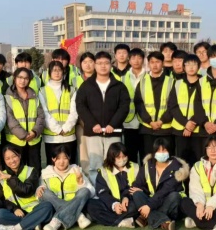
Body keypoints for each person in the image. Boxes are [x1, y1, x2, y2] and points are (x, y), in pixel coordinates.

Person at [76, 51, 130, 183]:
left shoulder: (119, 86)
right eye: (99, 63)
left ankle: (114, 189)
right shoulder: (86, 86)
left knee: (115, 163)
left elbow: (124, 107)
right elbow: (81, 106)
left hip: (113, 132)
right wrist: (92, 124)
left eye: (106, 63)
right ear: (95, 65)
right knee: (94, 165)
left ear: (111, 65)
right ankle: (96, 190)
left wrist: (113, 124)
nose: (103, 66)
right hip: (93, 132)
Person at [131, 138, 189, 230]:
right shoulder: (148, 165)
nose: (161, 153)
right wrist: (141, 190)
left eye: (164, 150)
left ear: (169, 151)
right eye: (158, 150)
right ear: (154, 152)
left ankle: (145, 217)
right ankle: (164, 222)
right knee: (137, 193)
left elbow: (165, 191)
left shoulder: (177, 167)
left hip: (169, 203)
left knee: (174, 196)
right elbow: (137, 184)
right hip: (154, 200)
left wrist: (149, 206)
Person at [180, 136, 216, 230]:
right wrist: (200, 204)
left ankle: (196, 222)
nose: (212, 150)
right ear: (205, 149)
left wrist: (211, 205)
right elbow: (195, 188)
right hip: (201, 206)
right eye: (209, 147)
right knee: (184, 202)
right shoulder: (197, 166)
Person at [0, 145, 55, 230]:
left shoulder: (31, 171)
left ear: (20, 156)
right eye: (7, 158)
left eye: (14, 156)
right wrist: (14, 208)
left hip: (34, 209)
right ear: (4, 160)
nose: (12, 161)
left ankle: (18, 227)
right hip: (17, 214)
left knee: (48, 207)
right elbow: (1, 199)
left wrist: (10, 178)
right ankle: (34, 222)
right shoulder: (1, 175)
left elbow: (26, 191)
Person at [37, 145, 95, 230]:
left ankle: (56, 220)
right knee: (44, 192)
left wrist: (80, 182)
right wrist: (38, 189)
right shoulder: (46, 173)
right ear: (53, 159)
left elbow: (91, 191)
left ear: (69, 158)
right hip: (57, 207)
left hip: (74, 202)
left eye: (65, 158)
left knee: (85, 190)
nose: (61, 162)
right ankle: (78, 216)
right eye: (58, 158)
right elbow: (39, 194)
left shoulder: (76, 170)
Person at [86, 142, 141, 228]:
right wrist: (114, 204)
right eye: (118, 157)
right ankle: (122, 221)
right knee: (90, 204)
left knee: (135, 206)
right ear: (112, 158)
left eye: (124, 156)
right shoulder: (104, 171)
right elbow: (102, 192)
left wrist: (126, 197)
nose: (122, 159)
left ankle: (107, 219)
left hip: (128, 203)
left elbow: (137, 186)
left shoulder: (135, 167)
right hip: (111, 204)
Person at [169, 54, 206, 167]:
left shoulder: (205, 83)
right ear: (184, 67)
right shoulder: (177, 83)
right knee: (181, 162)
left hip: (198, 130)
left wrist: (191, 124)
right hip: (180, 129)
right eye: (188, 64)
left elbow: (205, 106)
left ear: (199, 66)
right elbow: (173, 106)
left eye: (194, 64)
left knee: (198, 162)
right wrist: (185, 123)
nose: (191, 67)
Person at [134, 51, 175, 155]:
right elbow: (139, 104)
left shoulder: (171, 82)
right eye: (152, 62)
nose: (155, 65)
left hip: (166, 129)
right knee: (148, 159)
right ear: (148, 64)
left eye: (157, 62)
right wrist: (150, 121)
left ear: (163, 63)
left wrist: (162, 121)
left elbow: (173, 105)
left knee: (166, 158)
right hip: (147, 129)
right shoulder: (142, 82)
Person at [39, 60, 79, 163]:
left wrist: (66, 128)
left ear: (63, 72)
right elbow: (45, 113)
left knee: (70, 165)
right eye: (54, 70)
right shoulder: (42, 91)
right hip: (51, 137)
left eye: (59, 70)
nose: (57, 73)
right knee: (52, 166)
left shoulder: (72, 90)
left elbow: (74, 112)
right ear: (49, 73)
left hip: (69, 136)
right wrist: (57, 129)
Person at [5, 68, 45, 169]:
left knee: (35, 169)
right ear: (14, 78)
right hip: (15, 141)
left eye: (26, 78)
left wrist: (35, 132)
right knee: (17, 169)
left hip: (34, 140)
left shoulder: (34, 96)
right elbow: (10, 118)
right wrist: (23, 135)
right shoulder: (8, 97)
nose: (23, 81)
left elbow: (41, 116)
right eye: (20, 77)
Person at [122, 48, 146, 164]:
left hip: (145, 121)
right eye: (133, 58)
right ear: (129, 60)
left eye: (139, 58)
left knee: (145, 155)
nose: (136, 61)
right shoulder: (123, 78)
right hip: (129, 122)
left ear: (143, 60)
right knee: (130, 155)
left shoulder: (149, 76)